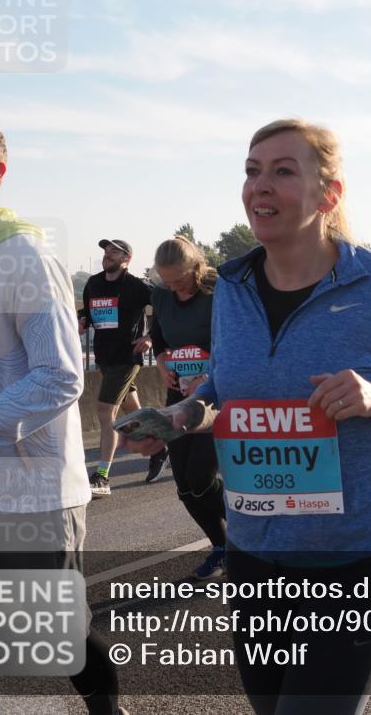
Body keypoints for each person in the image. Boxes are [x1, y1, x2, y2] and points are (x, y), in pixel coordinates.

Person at [128, 118, 371, 714]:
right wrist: (185, 412)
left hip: (351, 563)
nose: (260, 186)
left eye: (283, 172)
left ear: (327, 195)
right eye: (252, 171)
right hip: (255, 560)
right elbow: (223, 386)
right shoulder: (231, 286)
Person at [0, 105, 126, 715]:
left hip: (23, 489)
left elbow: (59, 376)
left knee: (55, 642)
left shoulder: (24, 256)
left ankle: (108, 708)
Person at [149, 236, 228, 580]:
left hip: (214, 397)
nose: (173, 286)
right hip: (178, 396)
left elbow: (234, 343)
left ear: (196, 267)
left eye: (179, 279)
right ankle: (222, 546)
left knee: (200, 475)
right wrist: (164, 364)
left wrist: (207, 376)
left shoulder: (218, 294)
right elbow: (160, 340)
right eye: (166, 280)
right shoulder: (162, 295)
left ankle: (253, 525)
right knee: (184, 485)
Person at [79, 238, 162, 495]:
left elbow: (164, 306)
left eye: (114, 251)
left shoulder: (137, 285)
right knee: (132, 412)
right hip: (105, 356)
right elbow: (88, 313)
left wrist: (150, 337)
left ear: (127, 259)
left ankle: (102, 476)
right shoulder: (93, 283)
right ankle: (160, 445)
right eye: (105, 251)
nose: (107, 255)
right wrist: (82, 320)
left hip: (127, 357)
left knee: (106, 413)